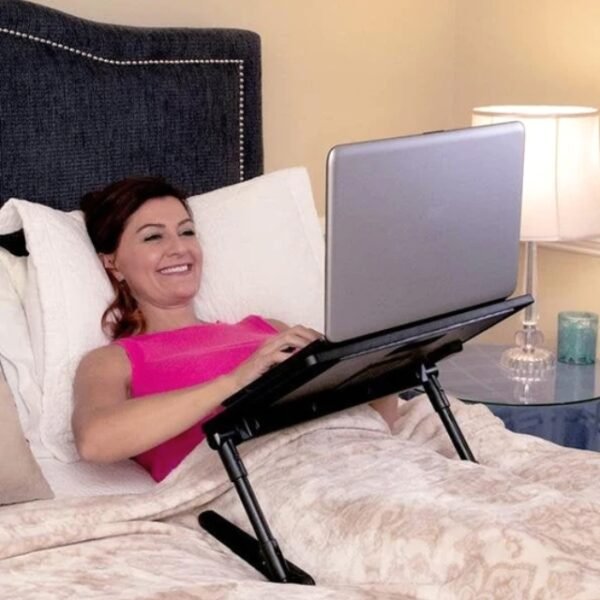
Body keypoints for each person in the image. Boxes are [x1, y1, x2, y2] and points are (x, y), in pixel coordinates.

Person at [72, 176, 399, 481]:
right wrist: (237, 381)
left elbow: (379, 421)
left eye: (187, 232)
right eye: (154, 236)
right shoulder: (114, 360)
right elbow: (95, 441)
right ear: (112, 263)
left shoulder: (269, 330)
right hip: (264, 485)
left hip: (363, 463)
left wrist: (372, 356)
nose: (180, 248)